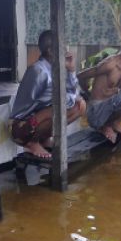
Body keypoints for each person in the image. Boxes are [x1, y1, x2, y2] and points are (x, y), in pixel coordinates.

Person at [10, 29, 86, 159]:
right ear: (50, 51)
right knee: (61, 107)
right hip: (20, 129)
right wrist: (75, 97)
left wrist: (71, 70)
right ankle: (32, 142)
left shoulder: (55, 69)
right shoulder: (39, 71)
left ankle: (43, 138)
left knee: (79, 107)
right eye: (62, 47)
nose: (66, 49)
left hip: (37, 119)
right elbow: (65, 100)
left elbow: (74, 93)